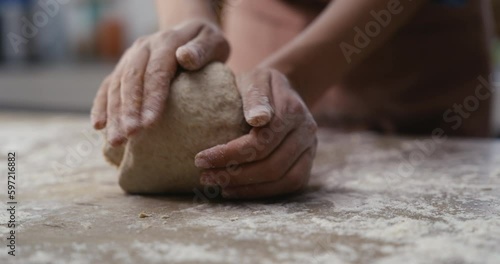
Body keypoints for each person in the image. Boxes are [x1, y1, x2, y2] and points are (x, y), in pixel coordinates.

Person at [90, 0, 494, 199]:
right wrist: (185, 29)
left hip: (408, 53)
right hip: (261, 26)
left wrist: (298, 74)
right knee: (253, 132)